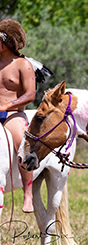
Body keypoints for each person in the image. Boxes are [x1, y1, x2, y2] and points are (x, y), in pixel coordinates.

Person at [0, 19, 36, 213]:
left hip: (12, 115)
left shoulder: (23, 64)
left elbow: (31, 94)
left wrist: (7, 104)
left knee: (23, 141)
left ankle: (28, 193)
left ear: (4, 42)